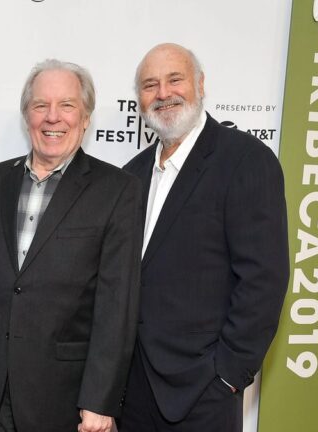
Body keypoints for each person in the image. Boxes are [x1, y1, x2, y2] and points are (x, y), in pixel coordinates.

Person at [119, 43, 289, 431]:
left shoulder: (245, 160)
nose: (163, 93)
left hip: (203, 392)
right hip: (133, 394)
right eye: (150, 85)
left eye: (174, 79)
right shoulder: (131, 174)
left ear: (200, 84)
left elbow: (264, 279)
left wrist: (228, 376)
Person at [0, 59, 142, 432]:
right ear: (26, 115)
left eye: (67, 105)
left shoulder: (117, 190)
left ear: (85, 117)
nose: (53, 117)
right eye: (40, 105)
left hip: (70, 404)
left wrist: (99, 401)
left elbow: (117, 307)